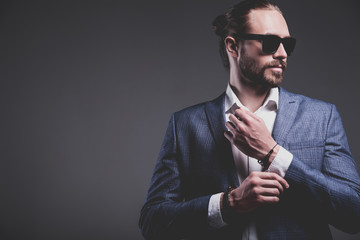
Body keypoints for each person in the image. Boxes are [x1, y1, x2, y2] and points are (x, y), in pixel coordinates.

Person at [139, 0, 360, 239]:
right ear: (233, 47)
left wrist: (274, 154)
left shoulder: (321, 117)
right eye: (270, 42)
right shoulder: (185, 124)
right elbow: (152, 222)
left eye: (288, 43)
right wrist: (227, 204)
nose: (283, 53)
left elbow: (354, 214)